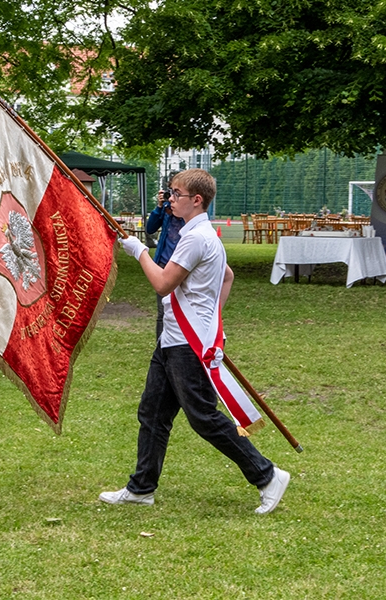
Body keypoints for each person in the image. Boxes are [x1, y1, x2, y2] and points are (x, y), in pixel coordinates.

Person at [100, 169, 290, 514]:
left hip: (187, 344)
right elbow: (227, 277)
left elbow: (162, 284)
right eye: (171, 193)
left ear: (196, 200)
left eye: (176, 194)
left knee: (203, 416)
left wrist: (139, 251)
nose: (170, 199)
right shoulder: (201, 234)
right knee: (153, 413)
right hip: (174, 338)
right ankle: (142, 487)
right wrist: (210, 316)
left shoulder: (195, 238)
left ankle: (267, 475)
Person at [145, 187, 185, 338]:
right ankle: (160, 348)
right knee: (162, 311)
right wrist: (160, 207)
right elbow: (150, 228)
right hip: (163, 264)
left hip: (181, 264)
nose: (172, 198)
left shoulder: (187, 210)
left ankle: (179, 343)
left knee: (180, 309)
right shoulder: (166, 207)